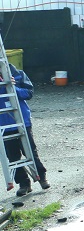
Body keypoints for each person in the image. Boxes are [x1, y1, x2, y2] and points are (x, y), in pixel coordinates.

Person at [1, 65, 51, 196]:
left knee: (30, 151)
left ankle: (42, 177)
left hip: (22, 120)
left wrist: (11, 87)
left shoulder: (17, 74)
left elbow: (29, 93)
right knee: (12, 156)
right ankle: (24, 184)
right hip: (4, 123)